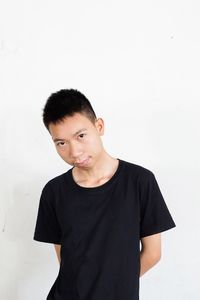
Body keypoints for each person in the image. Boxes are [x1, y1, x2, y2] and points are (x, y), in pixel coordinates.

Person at [33, 89, 176, 300]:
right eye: (61, 143)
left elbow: (153, 254)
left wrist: (115, 286)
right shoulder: (54, 192)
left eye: (81, 136)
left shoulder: (139, 181)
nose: (74, 152)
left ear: (99, 126)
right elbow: (66, 260)